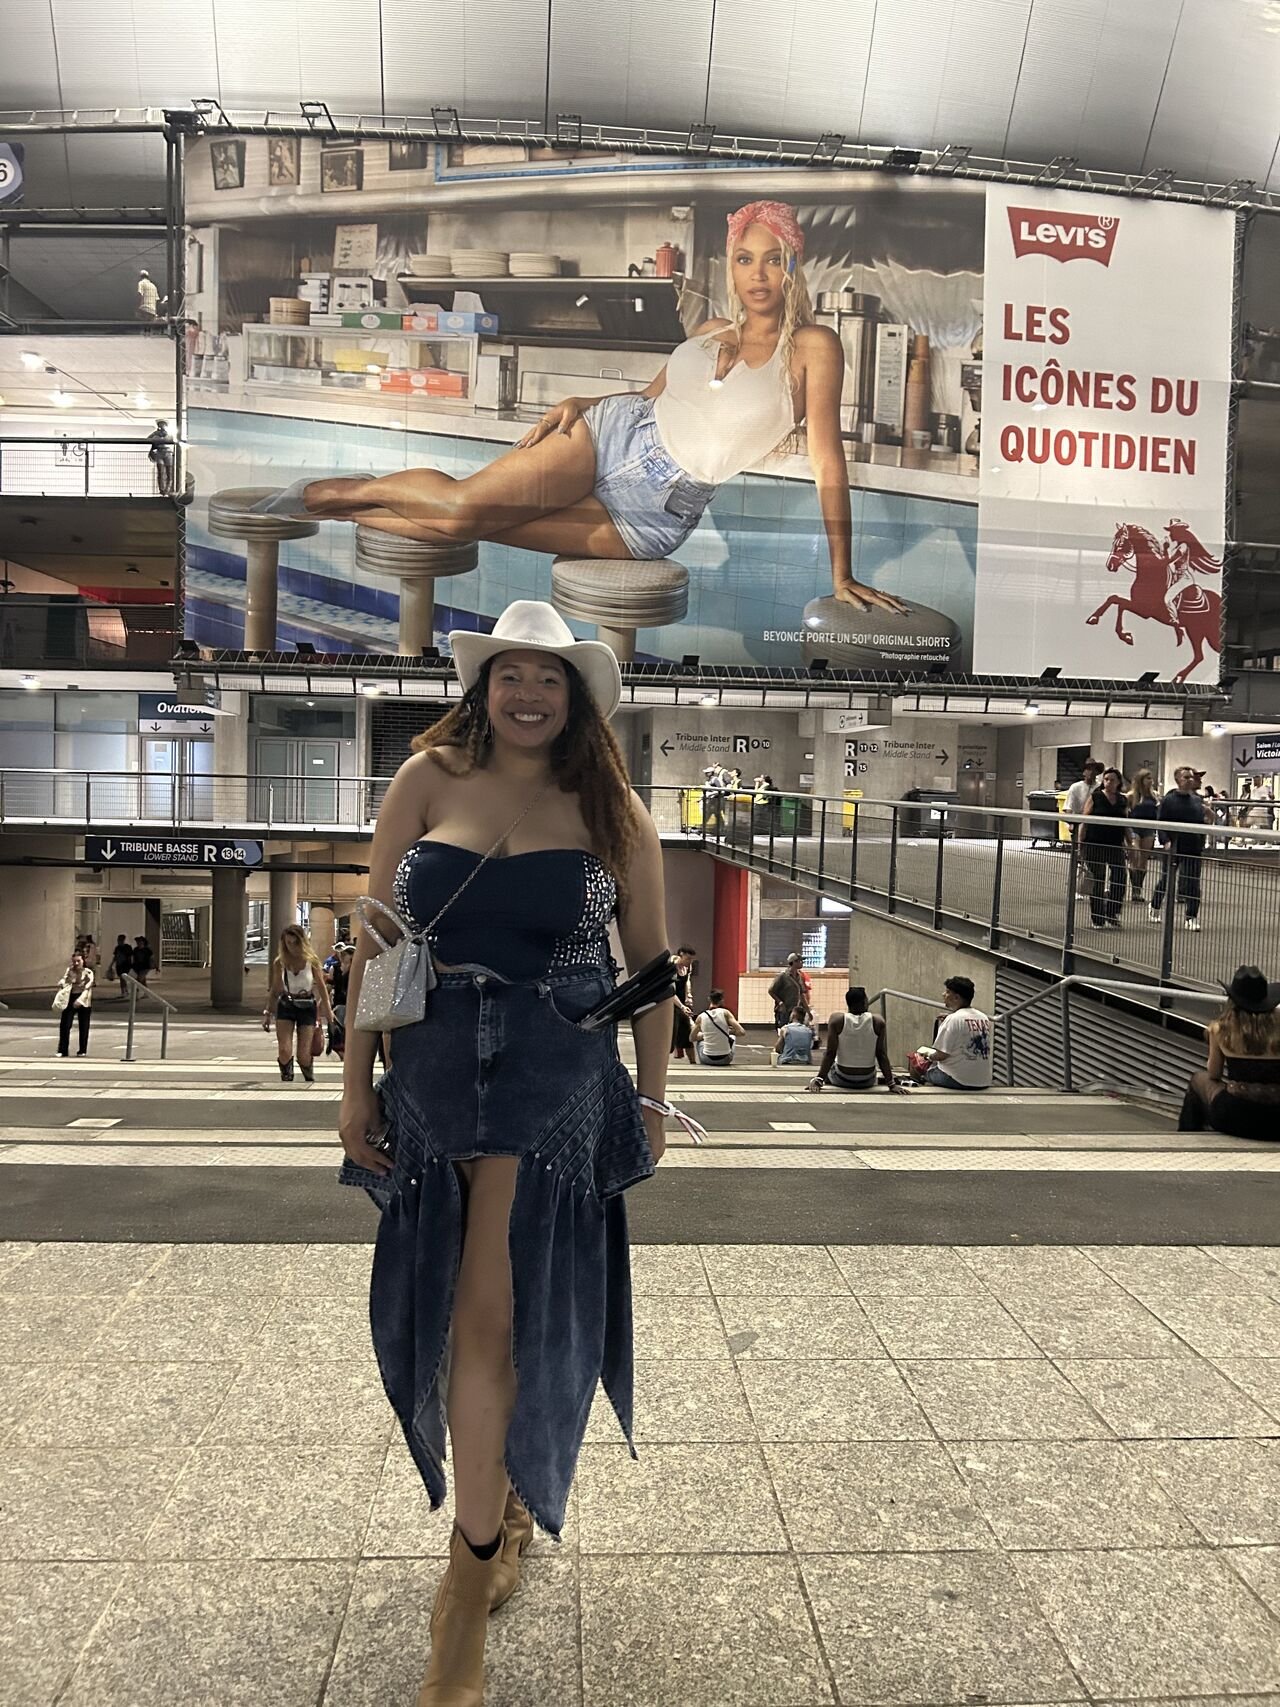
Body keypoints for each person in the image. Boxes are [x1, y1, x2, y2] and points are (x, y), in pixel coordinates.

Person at [336, 601, 672, 1706]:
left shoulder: (613, 807)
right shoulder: (424, 779)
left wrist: (653, 1101)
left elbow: (650, 968)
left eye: (549, 677)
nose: (527, 693)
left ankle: (462, 1591)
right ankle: (503, 1504)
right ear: (482, 688)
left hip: (553, 1069)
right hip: (434, 1072)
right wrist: (353, 1085)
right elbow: (378, 943)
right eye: (510, 675)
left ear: (578, 697)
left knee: (488, 1312)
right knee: (466, 1311)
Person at [254, 202, 906, 624]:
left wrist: (842, 572)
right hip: (610, 436)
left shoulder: (815, 347)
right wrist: (583, 402)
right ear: (731, 269)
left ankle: (340, 505)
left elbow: (829, 462)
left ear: (791, 267)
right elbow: (650, 398)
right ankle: (333, 492)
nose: (757, 273)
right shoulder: (710, 329)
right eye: (744, 259)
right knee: (458, 508)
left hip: (656, 511)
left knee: (461, 528)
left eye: (772, 259)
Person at [1178, 965, 1280, 1140]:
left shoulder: (1220, 1029)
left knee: (1198, 1080)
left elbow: (1214, 1073)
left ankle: (1186, 1139)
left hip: (1235, 1117)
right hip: (1277, 1121)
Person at [263, 925, 334, 1083]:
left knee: (303, 1054)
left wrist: (328, 1012)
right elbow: (275, 988)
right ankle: (286, 1079)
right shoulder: (280, 962)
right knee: (284, 1049)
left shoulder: (311, 960)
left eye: (295, 943)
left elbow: (321, 986)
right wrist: (268, 1012)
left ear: (302, 942)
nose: (292, 947)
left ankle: (308, 1076)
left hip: (307, 1005)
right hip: (286, 1004)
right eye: (288, 943)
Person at [808, 986, 905, 1092]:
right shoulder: (878, 1021)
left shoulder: (837, 1020)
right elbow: (881, 1054)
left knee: (827, 1054)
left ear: (848, 1003)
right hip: (867, 1080)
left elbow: (830, 1053)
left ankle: (821, 1079)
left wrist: (819, 1079)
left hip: (841, 1079)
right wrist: (891, 1084)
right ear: (865, 1002)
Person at [1149, 766, 1210, 933]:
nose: (1190, 780)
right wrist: (1165, 841)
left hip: (1193, 846)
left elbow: (1202, 822)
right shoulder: (1169, 799)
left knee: (1193, 882)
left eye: (1191, 777)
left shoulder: (1197, 800)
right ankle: (1155, 905)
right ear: (1178, 780)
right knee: (1167, 879)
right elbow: (1161, 822)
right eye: (1186, 777)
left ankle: (1191, 917)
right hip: (1174, 845)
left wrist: (1204, 832)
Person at [909, 976, 993, 1090]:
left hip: (958, 1080)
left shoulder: (953, 1019)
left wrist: (927, 1056)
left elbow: (941, 1055)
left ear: (956, 998)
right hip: (983, 1081)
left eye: (948, 992)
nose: (943, 994)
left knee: (915, 1059)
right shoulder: (983, 1017)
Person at [1081, 767, 1130, 930]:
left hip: (1115, 843)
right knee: (1098, 878)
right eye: (1106, 779)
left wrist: (1130, 844)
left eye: (1112, 780)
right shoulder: (1095, 797)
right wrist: (1080, 843)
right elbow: (1085, 820)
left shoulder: (1122, 800)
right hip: (1095, 842)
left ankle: (1112, 912)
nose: (1108, 782)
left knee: (1120, 877)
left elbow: (1126, 823)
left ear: (1118, 782)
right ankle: (1098, 917)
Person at [1063, 759, 1102, 896]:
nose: (1091, 772)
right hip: (1079, 825)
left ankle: (1093, 887)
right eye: (1089, 769)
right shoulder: (1075, 787)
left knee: (1095, 858)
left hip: (1095, 827)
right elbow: (1068, 808)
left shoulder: (1100, 788)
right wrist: (1071, 823)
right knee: (1079, 857)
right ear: (1084, 771)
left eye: (1094, 769)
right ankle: (1076, 887)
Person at [1126, 769, 1160, 900]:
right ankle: (1135, 889)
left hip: (1149, 828)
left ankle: (1138, 889)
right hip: (1134, 827)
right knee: (1135, 855)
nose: (1151, 781)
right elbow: (1126, 812)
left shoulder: (1154, 795)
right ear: (1141, 780)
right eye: (1148, 778)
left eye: (1151, 778)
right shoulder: (1131, 796)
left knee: (1144, 859)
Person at [55, 952, 94, 1057]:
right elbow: (65, 979)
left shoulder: (88, 973)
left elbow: (87, 988)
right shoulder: (70, 970)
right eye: (74, 961)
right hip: (70, 997)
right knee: (65, 1024)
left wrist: (80, 1000)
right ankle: (63, 1050)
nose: (76, 963)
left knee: (84, 1026)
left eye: (78, 961)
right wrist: (62, 982)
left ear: (83, 961)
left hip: (84, 1000)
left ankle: (82, 1050)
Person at [694, 988, 745, 1065]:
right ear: (722, 1000)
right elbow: (741, 1032)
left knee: (700, 1041)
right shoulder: (726, 1013)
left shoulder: (701, 1016)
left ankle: (702, 1065)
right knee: (732, 1037)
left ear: (709, 999)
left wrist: (707, 1035)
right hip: (725, 1060)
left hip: (706, 1059)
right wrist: (728, 1032)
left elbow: (692, 1038)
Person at [671, 944, 697, 1063]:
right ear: (680, 955)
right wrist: (681, 1006)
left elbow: (687, 981)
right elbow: (671, 992)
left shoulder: (687, 967)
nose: (689, 962)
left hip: (681, 1002)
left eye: (691, 959)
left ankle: (693, 1062)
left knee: (687, 1031)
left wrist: (688, 995)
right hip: (671, 1002)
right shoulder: (672, 967)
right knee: (673, 1033)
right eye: (687, 959)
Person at [768, 952, 805, 1027]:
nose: (802, 963)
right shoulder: (783, 976)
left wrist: (807, 1009)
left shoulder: (799, 976)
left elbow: (801, 994)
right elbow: (771, 991)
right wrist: (780, 1003)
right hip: (785, 1010)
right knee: (784, 1029)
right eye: (800, 961)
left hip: (796, 1010)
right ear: (794, 962)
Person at [147, 420, 175, 496]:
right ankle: (162, 490)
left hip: (168, 453)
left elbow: (174, 441)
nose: (162, 426)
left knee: (169, 472)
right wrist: (155, 434)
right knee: (161, 472)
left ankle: (167, 489)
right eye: (160, 425)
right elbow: (147, 439)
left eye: (163, 425)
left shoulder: (169, 434)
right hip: (159, 452)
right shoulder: (155, 434)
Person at [108, 933, 133, 997]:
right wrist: (111, 964)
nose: (119, 941)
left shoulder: (127, 947)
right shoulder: (117, 948)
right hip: (119, 965)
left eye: (120, 940)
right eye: (118, 940)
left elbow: (130, 957)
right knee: (122, 979)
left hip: (125, 965)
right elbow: (115, 957)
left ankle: (124, 991)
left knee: (123, 978)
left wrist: (131, 965)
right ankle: (124, 991)